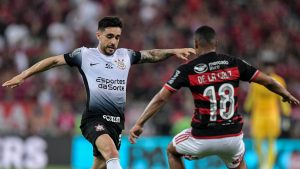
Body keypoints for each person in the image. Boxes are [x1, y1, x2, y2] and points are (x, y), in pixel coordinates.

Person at [2, 16, 195, 169]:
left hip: (116, 123)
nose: (114, 42)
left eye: (117, 37)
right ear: (99, 36)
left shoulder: (125, 55)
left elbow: (151, 55)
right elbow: (53, 61)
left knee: (101, 164)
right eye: (109, 36)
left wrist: (173, 51)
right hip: (94, 120)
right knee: (112, 154)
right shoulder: (84, 55)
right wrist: (23, 75)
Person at [129, 25, 299, 169]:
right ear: (216, 43)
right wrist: (286, 93)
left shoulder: (187, 69)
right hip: (232, 137)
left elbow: (161, 98)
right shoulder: (234, 63)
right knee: (239, 161)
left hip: (201, 138)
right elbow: (268, 81)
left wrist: (139, 123)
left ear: (196, 44)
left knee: (171, 150)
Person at [244, 59, 291, 169]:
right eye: (267, 66)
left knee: (271, 141)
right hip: (258, 115)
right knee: (257, 142)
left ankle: (268, 166)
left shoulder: (279, 80)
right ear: (264, 67)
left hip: (272, 115)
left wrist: (286, 115)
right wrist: (246, 111)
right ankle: (262, 164)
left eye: (271, 66)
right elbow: (251, 98)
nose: (269, 69)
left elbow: (283, 98)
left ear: (274, 68)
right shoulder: (257, 81)